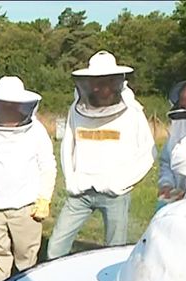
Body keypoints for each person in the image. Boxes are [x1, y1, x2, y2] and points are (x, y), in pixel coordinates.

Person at [46, 51, 156, 260]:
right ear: (87, 83)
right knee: (55, 248)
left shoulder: (132, 112)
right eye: (95, 83)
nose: (100, 88)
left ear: (116, 83)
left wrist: (121, 183)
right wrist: (72, 180)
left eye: (106, 82)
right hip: (80, 191)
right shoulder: (76, 109)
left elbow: (148, 152)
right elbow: (68, 145)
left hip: (115, 194)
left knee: (114, 254)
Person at [0, 76, 56, 281]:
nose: (8, 107)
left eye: (12, 103)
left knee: (26, 257)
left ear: (21, 105)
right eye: (4, 102)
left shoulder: (36, 130)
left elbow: (47, 165)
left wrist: (44, 199)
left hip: (27, 207)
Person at [157, 80, 186, 209]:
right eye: (184, 104)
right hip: (176, 200)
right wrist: (166, 185)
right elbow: (169, 161)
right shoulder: (178, 126)